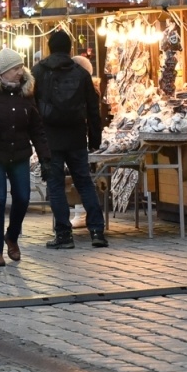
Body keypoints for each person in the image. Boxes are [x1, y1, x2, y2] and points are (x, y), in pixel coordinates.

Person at [32, 31, 108, 249]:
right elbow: (93, 108)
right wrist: (95, 137)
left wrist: (36, 138)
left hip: (50, 137)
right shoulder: (81, 73)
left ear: (49, 47)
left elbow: (33, 107)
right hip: (76, 136)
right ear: (70, 49)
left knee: (55, 185)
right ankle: (96, 232)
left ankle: (64, 235)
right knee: (84, 182)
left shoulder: (38, 72)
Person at [0, 48, 51, 267]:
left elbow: (37, 127)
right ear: (4, 71)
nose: (20, 72)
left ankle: (12, 235)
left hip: (19, 153)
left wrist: (45, 157)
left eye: (21, 67)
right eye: (16, 68)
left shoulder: (26, 91)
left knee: (22, 198)